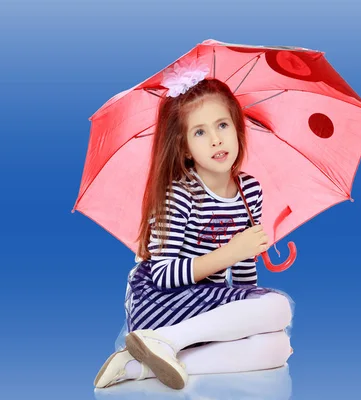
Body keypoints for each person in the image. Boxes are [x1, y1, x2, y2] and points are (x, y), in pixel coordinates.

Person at [94, 62, 294, 391]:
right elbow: (163, 275)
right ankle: (159, 339)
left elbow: (243, 274)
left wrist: (252, 318)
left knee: (275, 347)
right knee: (279, 307)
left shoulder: (249, 190)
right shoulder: (179, 195)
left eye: (222, 125)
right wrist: (230, 253)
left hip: (203, 304)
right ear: (185, 146)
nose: (216, 140)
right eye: (200, 132)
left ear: (238, 128)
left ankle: (137, 367)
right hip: (160, 302)